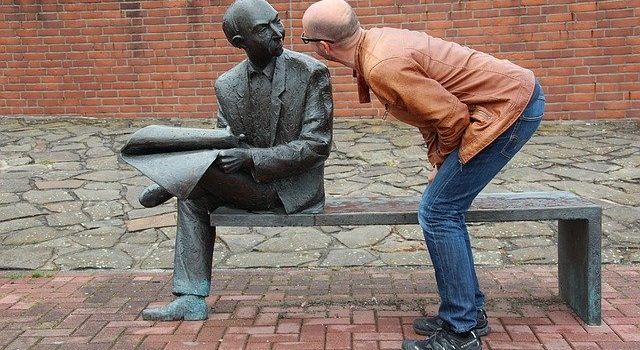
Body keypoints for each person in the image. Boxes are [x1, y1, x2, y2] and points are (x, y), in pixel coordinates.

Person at [302, 1, 545, 349]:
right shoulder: (376, 42)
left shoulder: (382, 65)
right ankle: (466, 312)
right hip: (506, 100)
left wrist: (443, 162)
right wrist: (439, 164)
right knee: (442, 208)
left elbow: (451, 118)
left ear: (323, 47)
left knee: (438, 212)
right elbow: (430, 113)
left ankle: (460, 332)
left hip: (508, 109)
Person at [128, 0, 333, 321]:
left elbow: (316, 146)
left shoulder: (310, 73)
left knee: (189, 186)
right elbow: (226, 142)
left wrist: (249, 157)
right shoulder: (228, 85)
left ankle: (169, 181)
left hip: (291, 191)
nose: (278, 32)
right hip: (249, 185)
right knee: (193, 191)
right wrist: (229, 154)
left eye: (277, 21)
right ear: (240, 43)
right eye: (263, 29)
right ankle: (190, 298)